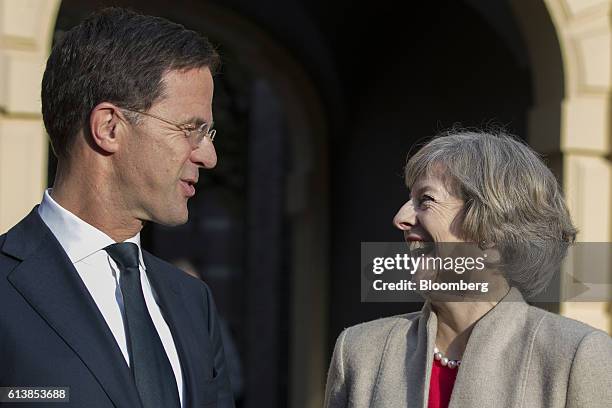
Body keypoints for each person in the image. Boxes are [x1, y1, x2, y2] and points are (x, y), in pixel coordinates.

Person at [0, 8, 233, 408]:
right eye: (190, 129)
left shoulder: (193, 302)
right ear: (109, 127)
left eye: (207, 132)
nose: (208, 156)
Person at [324, 129, 612, 408]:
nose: (400, 218)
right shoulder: (360, 352)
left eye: (426, 200)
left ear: (491, 226)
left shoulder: (577, 356)